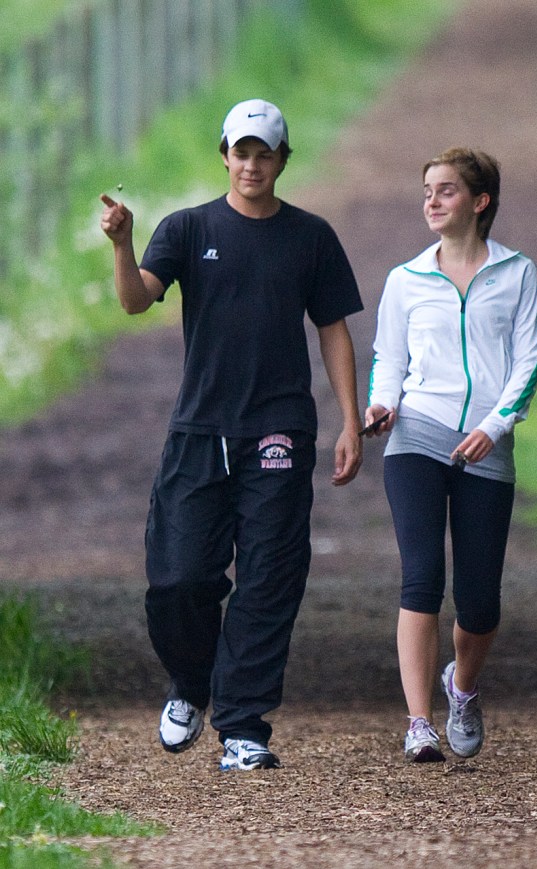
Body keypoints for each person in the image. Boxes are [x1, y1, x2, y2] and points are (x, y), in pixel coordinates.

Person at [100, 98, 364, 771]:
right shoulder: (188, 228)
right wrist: (122, 242)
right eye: (241, 151)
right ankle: (192, 681)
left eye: (264, 152)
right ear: (225, 154)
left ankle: (244, 725)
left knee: (270, 578)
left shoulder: (310, 237)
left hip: (279, 428)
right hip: (200, 429)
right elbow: (136, 299)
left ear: (282, 160)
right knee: (179, 578)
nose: (252, 163)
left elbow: (333, 327)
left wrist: (349, 420)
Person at [364, 147, 537, 762]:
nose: (433, 201)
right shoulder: (406, 279)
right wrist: (382, 404)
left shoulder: (519, 274)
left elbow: (531, 360)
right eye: (427, 191)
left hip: (486, 444)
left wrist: (495, 427)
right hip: (417, 433)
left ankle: (461, 686)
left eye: (446, 190)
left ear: (480, 201)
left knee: (479, 602)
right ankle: (419, 723)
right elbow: (388, 358)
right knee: (421, 576)